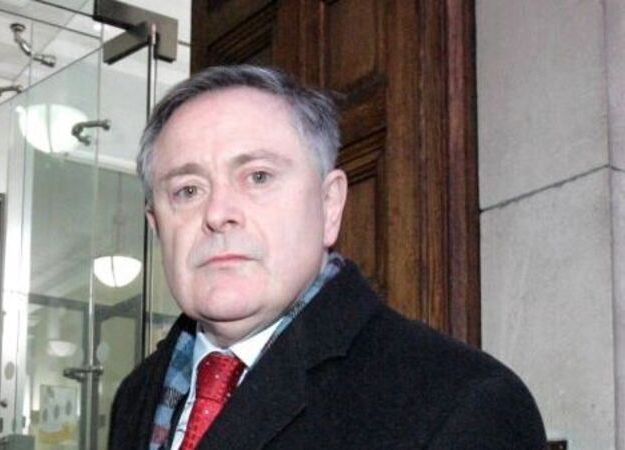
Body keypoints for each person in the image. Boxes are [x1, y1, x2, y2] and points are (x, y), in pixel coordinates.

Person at [108, 65, 546, 450]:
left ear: (330, 204)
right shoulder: (136, 395)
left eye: (258, 177)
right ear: (156, 225)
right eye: (187, 190)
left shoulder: (465, 401)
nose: (218, 213)